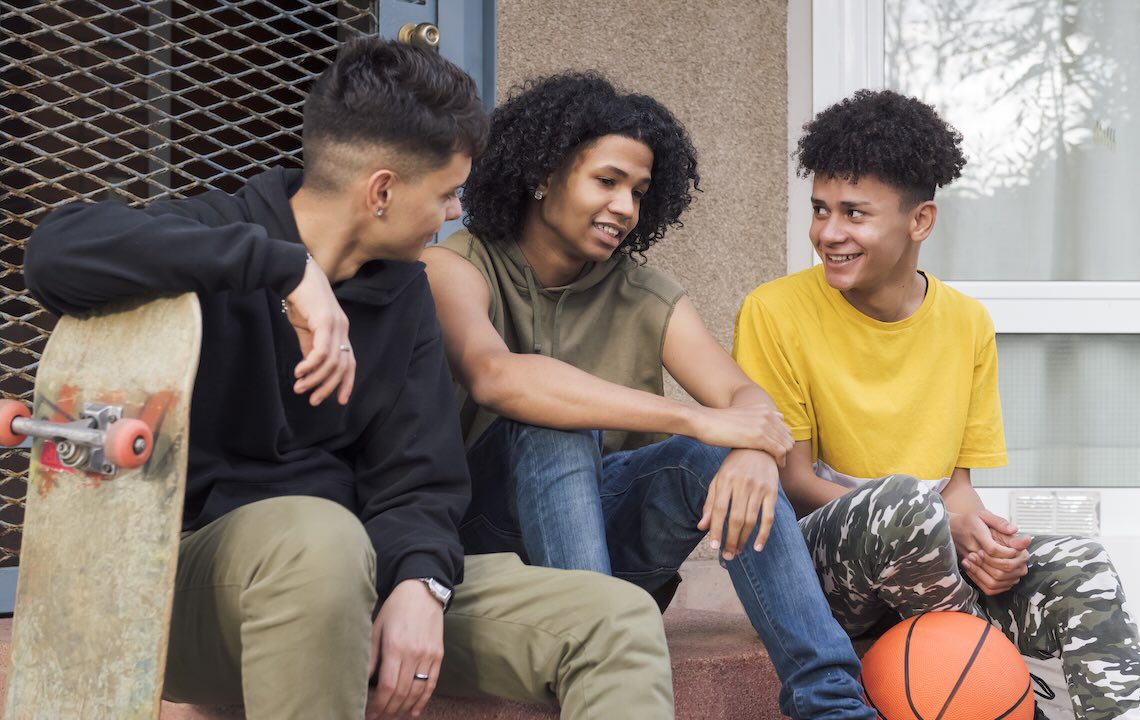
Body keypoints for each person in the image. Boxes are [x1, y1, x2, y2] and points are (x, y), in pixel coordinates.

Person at [25, 39, 672, 720]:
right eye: (448, 193)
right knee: (321, 540)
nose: (457, 212)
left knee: (615, 620)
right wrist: (282, 268)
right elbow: (56, 252)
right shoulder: (225, 233)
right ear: (383, 191)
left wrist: (422, 583)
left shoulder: (406, 295)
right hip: (186, 594)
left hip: (360, 580)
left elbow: (418, 480)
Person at [422, 71, 876, 720]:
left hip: (606, 557)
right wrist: (698, 420)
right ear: (543, 175)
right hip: (483, 550)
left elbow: (745, 398)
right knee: (555, 418)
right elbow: (498, 376)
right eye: (606, 181)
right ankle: (597, 649)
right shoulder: (456, 265)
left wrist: (748, 452)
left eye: (638, 192)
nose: (626, 208)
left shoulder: (643, 291)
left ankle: (833, 704)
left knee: (723, 460)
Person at [733, 88, 1140, 720]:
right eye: (820, 209)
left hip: (931, 565)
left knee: (1082, 565)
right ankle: (992, 678)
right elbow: (794, 482)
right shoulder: (774, 311)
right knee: (906, 501)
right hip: (825, 570)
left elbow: (958, 488)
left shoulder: (967, 323)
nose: (828, 232)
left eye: (854, 213)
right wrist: (939, 522)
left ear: (921, 221)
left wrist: (984, 546)